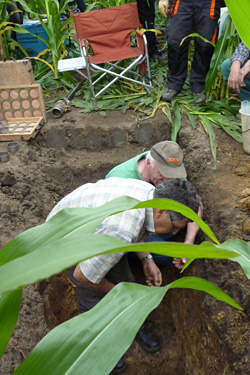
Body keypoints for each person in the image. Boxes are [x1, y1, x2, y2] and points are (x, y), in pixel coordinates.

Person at [47, 177, 200, 373]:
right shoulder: (122, 229)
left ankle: (132, 326)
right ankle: (99, 346)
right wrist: (120, 294)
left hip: (100, 231)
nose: (175, 231)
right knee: (93, 296)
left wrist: (147, 260)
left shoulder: (152, 197)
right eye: (176, 226)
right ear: (161, 212)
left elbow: (136, 231)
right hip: (64, 239)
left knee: (125, 279)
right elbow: (83, 275)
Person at [106, 140, 203, 268]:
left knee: (176, 224)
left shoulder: (169, 168)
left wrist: (188, 242)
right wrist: (147, 259)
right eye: (162, 175)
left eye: (172, 177)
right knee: (162, 257)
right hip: (127, 228)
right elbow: (120, 227)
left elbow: (194, 204)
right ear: (148, 163)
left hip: (157, 222)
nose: (167, 181)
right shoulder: (121, 178)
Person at [158, 0, 225, 103]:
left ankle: (199, 84)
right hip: (182, 2)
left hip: (209, 2)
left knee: (206, 43)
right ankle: (174, 83)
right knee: (175, 41)